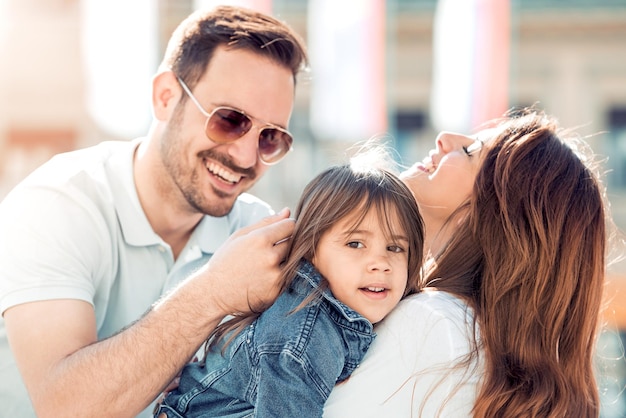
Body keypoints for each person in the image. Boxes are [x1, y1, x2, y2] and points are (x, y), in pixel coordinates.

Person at [0, 6, 307, 418]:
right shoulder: (55, 204)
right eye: (230, 120)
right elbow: (65, 408)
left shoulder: (254, 230)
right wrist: (213, 292)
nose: (245, 155)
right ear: (165, 96)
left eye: (270, 137)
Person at [323, 108, 612, 417]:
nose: (444, 138)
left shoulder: (432, 324)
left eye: (470, 151)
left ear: (494, 212)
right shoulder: (491, 355)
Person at [154, 151, 425, 418]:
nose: (380, 262)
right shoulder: (304, 335)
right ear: (311, 250)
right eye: (355, 243)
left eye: (395, 247)